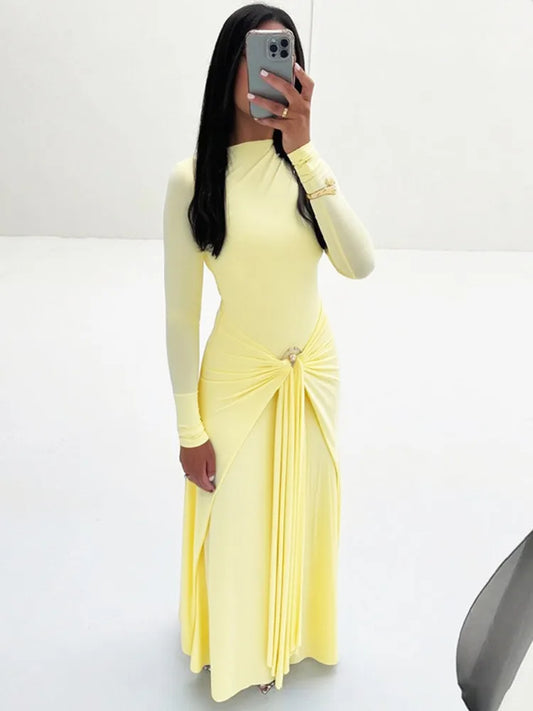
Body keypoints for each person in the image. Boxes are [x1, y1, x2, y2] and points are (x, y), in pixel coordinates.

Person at [162, 4, 375, 702]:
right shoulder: (192, 179)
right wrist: (188, 427)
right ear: (230, 70)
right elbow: (181, 314)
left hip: (313, 369)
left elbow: (358, 264)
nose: (269, 74)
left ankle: (291, 639)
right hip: (237, 376)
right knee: (236, 522)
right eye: (256, 58)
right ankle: (238, 649)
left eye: (283, 57)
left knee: (306, 510)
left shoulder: (306, 169)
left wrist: (305, 149)